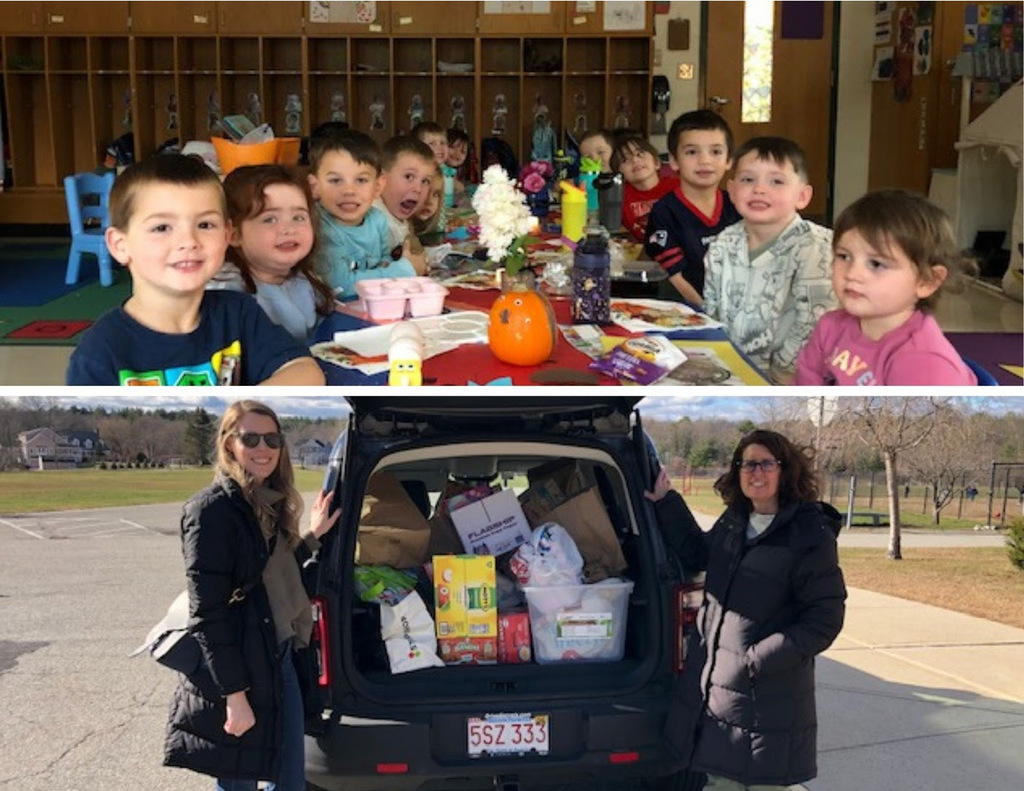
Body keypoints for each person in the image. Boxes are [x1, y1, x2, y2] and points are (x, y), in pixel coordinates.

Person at [644, 429, 846, 791]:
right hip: (721, 700)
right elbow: (697, 551)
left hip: (770, 700)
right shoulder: (735, 522)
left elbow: (824, 619)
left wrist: (755, 660)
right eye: (747, 464)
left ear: (785, 470)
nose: (756, 472)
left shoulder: (809, 534)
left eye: (766, 463)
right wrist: (666, 501)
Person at [163, 400, 340, 790]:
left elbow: (274, 569)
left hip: (279, 656)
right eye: (251, 438)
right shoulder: (211, 511)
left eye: (272, 439)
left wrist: (314, 535)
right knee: (240, 782)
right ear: (229, 444)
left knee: (289, 779)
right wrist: (234, 695)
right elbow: (207, 612)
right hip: (239, 665)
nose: (264, 448)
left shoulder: (267, 503)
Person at [66, 154, 324, 386]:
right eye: (162, 228)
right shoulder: (101, 350)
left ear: (226, 236)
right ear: (120, 245)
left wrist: (236, 410)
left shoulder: (239, 314)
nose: (189, 241)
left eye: (205, 224)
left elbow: (305, 371)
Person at [795, 189, 977, 385]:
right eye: (844, 256)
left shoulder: (925, 363)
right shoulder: (830, 326)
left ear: (927, 281)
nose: (852, 273)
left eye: (876, 264)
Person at [703, 136, 836, 384]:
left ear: (802, 196)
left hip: (792, 379)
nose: (759, 189)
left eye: (776, 181)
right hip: (728, 370)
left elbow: (813, 325)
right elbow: (712, 311)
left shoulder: (818, 248)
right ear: (732, 190)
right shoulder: (722, 244)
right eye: (747, 179)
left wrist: (779, 379)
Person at [207, 165, 335, 344]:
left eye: (298, 217)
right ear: (234, 235)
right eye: (269, 219)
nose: (288, 229)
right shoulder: (229, 292)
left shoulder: (303, 279)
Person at [306, 128, 418, 301]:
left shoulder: (377, 220)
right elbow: (340, 286)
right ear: (315, 187)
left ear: (378, 186)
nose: (349, 191)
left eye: (361, 180)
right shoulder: (319, 227)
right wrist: (404, 271)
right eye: (336, 180)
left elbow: (384, 263)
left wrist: (397, 271)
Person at [644, 109, 742, 306]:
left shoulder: (738, 205)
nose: (704, 161)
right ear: (673, 161)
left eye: (715, 152)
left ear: (729, 160)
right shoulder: (664, 212)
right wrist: (707, 313)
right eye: (691, 152)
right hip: (686, 310)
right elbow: (676, 276)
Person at [373, 135, 436, 275]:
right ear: (381, 179)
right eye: (409, 177)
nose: (418, 189)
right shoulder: (372, 220)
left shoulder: (397, 217)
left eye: (425, 181)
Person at [610, 133, 678, 243]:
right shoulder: (618, 196)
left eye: (640, 154)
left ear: (656, 162)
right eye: (625, 160)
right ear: (619, 174)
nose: (635, 160)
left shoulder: (678, 187)